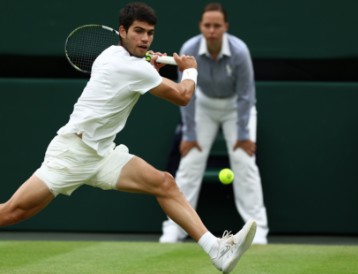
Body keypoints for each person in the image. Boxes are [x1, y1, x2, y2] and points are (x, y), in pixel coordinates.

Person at [0, 2, 256, 273]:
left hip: (102, 154)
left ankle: (217, 250)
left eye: (150, 33)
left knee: (164, 183)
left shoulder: (112, 55)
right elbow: (183, 96)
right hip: (71, 153)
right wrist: (190, 69)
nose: (145, 39)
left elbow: (131, 83)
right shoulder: (133, 68)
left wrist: (152, 71)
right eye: (138, 31)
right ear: (122, 31)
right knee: (13, 212)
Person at [160, 2, 268, 245]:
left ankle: (258, 231)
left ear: (225, 27)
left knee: (244, 162)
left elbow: (246, 95)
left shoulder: (239, 51)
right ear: (201, 26)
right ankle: (174, 229)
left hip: (236, 108)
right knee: (190, 163)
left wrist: (242, 135)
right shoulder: (189, 49)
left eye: (216, 25)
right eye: (207, 25)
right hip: (202, 106)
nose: (211, 30)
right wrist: (189, 133)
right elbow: (184, 92)